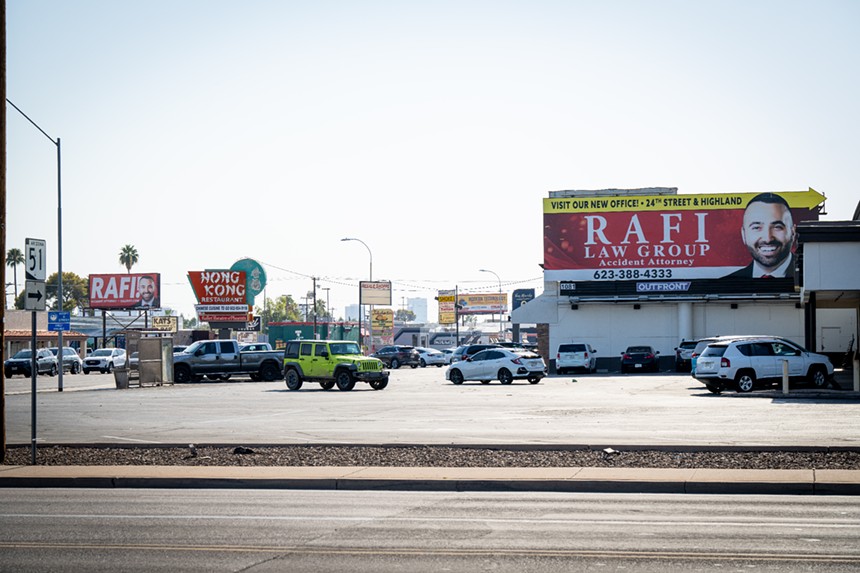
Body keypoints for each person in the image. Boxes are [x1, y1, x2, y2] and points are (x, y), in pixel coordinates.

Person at [725, 192, 796, 278]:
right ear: (743, 235)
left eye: (777, 227)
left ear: (793, 232)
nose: (768, 238)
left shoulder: (814, 274)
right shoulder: (725, 286)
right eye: (756, 228)